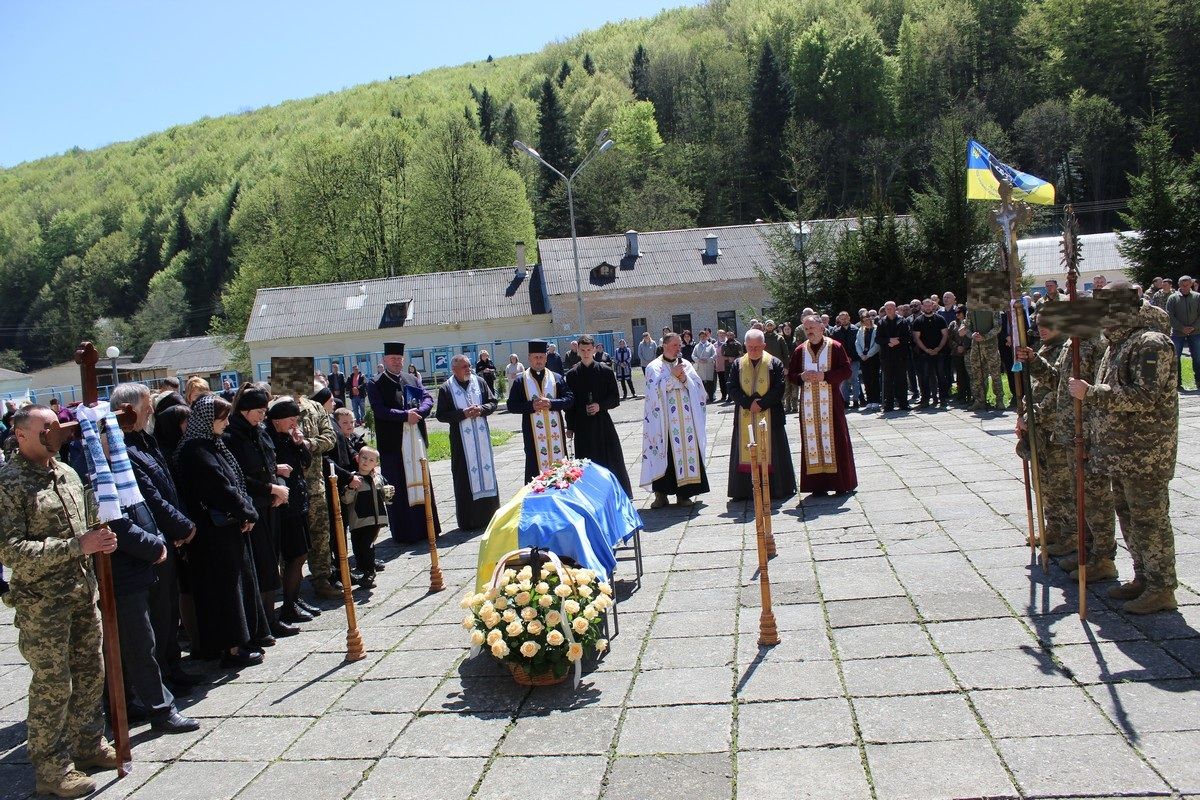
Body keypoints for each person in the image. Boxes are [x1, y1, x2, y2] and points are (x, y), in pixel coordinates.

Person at [0, 405, 122, 798]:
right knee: (54, 686)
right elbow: (11, 551)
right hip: (42, 604)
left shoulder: (65, 472)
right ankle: (52, 770)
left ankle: (87, 745)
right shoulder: (9, 482)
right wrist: (76, 546)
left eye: (55, 426)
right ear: (21, 435)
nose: (56, 432)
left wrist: (98, 539)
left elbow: (85, 525)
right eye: (46, 428)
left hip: (81, 594)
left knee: (90, 673)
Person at [1070, 298, 1179, 613]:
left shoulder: (1152, 343)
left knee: (1150, 521)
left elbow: (1146, 396)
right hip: (1121, 453)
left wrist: (1091, 392)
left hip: (1146, 454)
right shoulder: (1118, 345)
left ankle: (1162, 587)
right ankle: (1143, 577)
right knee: (1130, 518)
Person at [113, 383, 201, 697]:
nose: (151, 409)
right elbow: (149, 499)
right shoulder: (123, 449)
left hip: (165, 539)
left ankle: (172, 669)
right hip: (151, 544)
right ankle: (157, 681)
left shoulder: (144, 440)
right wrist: (182, 528)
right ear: (129, 410)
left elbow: (168, 487)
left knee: (167, 612)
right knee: (153, 619)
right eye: (146, 404)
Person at [173, 395, 269, 667]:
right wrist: (247, 511)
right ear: (207, 420)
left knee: (237, 586)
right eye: (222, 418)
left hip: (228, 528)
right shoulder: (195, 450)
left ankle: (243, 639)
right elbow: (219, 488)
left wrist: (245, 509)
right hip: (213, 534)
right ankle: (232, 648)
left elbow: (234, 482)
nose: (226, 423)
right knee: (224, 591)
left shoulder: (211, 444)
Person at [1017, 310, 1113, 577]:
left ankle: (1101, 557)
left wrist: (1036, 415)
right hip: (1068, 430)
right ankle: (1088, 551)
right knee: (1079, 494)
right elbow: (1058, 383)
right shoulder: (1073, 343)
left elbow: (1092, 387)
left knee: (1094, 497)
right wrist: (1034, 360)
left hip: (1089, 430)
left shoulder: (1092, 342)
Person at [223, 385, 295, 639]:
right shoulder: (232, 436)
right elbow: (240, 475)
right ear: (244, 411)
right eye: (258, 411)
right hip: (252, 508)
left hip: (270, 503)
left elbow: (268, 465)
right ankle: (261, 624)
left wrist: (277, 488)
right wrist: (270, 489)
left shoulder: (259, 431)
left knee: (271, 562)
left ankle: (271, 618)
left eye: (264, 411)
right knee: (261, 565)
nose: (262, 416)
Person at [368, 342, 440, 545]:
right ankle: (405, 533)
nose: (397, 362)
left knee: (422, 481)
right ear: (384, 360)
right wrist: (404, 416)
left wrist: (419, 412)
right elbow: (379, 410)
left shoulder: (411, 378)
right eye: (392, 359)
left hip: (415, 439)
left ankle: (427, 528)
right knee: (399, 487)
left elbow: (427, 397)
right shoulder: (376, 383)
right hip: (393, 444)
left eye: (399, 359)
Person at [789, 315, 858, 497]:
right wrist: (801, 377)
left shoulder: (835, 347)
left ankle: (841, 484)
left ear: (821, 327)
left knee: (835, 439)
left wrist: (825, 376)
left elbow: (846, 370)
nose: (809, 331)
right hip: (808, 405)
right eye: (806, 328)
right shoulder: (799, 350)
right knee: (812, 441)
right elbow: (791, 375)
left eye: (812, 327)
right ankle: (817, 485)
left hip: (831, 403)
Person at [641, 332, 709, 508]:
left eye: (679, 345)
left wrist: (684, 378)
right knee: (665, 454)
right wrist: (672, 377)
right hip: (664, 423)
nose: (678, 348)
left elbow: (699, 389)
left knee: (687, 453)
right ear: (665, 345)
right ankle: (661, 495)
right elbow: (652, 394)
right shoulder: (653, 367)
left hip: (686, 420)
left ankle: (684, 494)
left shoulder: (685, 364)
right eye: (675, 345)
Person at [727, 329, 796, 501]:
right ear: (745, 345)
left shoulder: (775, 363)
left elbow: (779, 388)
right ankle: (744, 490)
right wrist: (748, 403)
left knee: (773, 452)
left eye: (757, 347)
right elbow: (731, 387)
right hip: (745, 415)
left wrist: (762, 404)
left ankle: (776, 488)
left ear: (764, 345)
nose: (753, 350)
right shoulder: (738, 364)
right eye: (750, 347)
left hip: (771, 417)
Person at [434, 354, 501, 530]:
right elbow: (441, 415)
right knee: (464, 477)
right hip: (461, 442)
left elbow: (493, 402)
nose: (468, 369)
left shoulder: (479, 382)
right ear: (454, 369)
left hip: (482, 441)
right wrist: (462, 414)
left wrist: (481, 409)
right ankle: (469, 521)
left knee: (486, 474)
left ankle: (491, 516)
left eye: (469, 366)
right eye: (464, 367)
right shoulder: (446, 388)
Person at [266, 397, 317, 620]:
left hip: (299, 500)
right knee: (295, 555)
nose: (294, 424)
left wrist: (300, 444)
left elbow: (305, 463)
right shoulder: (268, 437)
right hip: (285, 506)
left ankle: (294, 599)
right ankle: (288, 604)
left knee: (302, 554)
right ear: (277, 420)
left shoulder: (289, 437)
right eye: (291, 419)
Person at [565, 335, 633, 497]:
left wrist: (600, 405)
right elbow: (570, 404)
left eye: (589, 350)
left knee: (612, 459)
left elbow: (615, 399)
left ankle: (619, 494)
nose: (586, 353)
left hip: (603, 423)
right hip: (582, 425)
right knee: (586, 462)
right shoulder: (572, 375)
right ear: (578, 351)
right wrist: (570, 426)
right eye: (583, 350)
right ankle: (590, 495)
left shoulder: (606, 371)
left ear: (594, 350)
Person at [507, 340, 574, 482]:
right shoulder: (521, 381)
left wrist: (552, 403)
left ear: (546, 357)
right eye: (535, 357)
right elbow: (511, 405)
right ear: (529, 358)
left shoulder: (556, 378)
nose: (539, 360)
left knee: (560, 469)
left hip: (556, 434)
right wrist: (531, 406)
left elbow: (570, 399)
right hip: (532, 435)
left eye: (541, 357)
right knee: (534, 466)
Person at [297, 387, 338, 598]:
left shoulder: (314, 408)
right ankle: (291, 590)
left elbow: (330, 437)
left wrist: (310, 443)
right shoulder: (273, 409)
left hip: (315, 483)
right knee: (293, 539)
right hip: (289, 486)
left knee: (320, 535)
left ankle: (322, 579)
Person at [341, 446, 394, 589]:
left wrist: (388, 495)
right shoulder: (352, 478)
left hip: (374, 520)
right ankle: (363, 568)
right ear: (357, 459)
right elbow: (346, 500)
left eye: (371, 460)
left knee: (367, 544)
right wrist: (351, 488)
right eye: (364, 458)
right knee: (358, 547)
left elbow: (387, 497)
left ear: (375, 464)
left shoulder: (378, 478)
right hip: (357, 521)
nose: (366, 462)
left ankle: (370, 573)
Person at [911, 298, 951, 408]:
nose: (928, 307)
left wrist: (938, 348)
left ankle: (943, 399)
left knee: (941, 376)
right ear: (922, 307)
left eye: (930, 305)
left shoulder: (940, 319)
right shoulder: (918, 321)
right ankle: (925, 400)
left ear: (932, 306)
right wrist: (925, 349)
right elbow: (916, 338)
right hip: (924, 354)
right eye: (926, 306)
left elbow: (945, 335)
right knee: (925, 377)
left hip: (940, 353)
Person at [967, 304, 1005, 411]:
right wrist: (972, 335)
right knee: (977, 374)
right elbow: (967, 326)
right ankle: (979, 400)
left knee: (995, 374)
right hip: (976, 346)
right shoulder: (971, 310)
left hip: (991, 346)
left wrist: (985, 336)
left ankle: (999, 400)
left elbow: (997, 327)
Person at [875, 302, 911, 412]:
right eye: (887, 309)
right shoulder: (881, 322)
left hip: (901, 355)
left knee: (902, 380)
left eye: (891, 308)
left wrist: (897, 341)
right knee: (888, 381)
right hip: (887, 356)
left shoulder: (903, 321)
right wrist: (889, 341)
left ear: (895, 308)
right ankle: (888, 404)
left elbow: (908, 336)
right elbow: (878, 339)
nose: (889, 310)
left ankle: (903, 403)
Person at [1166, 275, 1199, 390]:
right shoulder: (1172, 298)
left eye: (1187, 285)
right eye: (1182, 285)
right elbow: (1170, 316)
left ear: (1191, 284)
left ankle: (1198, 382)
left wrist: (1193, 327)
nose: (1185, 287)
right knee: (1176, 358)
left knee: (1198, 357)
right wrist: (1181, 328)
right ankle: (1177, 383)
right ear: (1179, 285)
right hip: (1178, 333)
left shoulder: (1197, 297)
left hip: (1196, 332)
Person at [829, 312, 861, 409]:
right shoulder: (836, 332)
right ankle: (845, 401)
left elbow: (858, 345)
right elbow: (835, 347)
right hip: (842, 360)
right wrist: (844, 357)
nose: (844, 320)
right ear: (839, 320)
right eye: (842, 319)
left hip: (854, 359)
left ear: (849, 318)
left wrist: (851, 356)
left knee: (855, 380)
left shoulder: (856, 330)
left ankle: (856, 400)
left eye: (845, 318)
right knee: (844, 381)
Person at [856, 313, 881, 411]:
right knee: (866, 379)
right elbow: (857, 343)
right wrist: (861, 354)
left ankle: (876, 400)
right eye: (864, 319)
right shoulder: (860, 330)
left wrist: (868, 354)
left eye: (868, 318)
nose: (866, 320)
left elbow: (877, 344)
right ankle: (869, 400)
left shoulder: (876, 329)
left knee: (874, 378)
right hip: (863, 358)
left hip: (873, 357)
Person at [950, 306, 973, 405]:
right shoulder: (953, 324)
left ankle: (971, 395)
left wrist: (964, 347)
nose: (957, 314)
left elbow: (971, 337)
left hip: (968, 352)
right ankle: (961, 395)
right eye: (956, 312)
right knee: (960, 375)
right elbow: (949, 338)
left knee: (969, 374)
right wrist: (957, 347)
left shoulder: (970, 323)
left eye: (960, 312)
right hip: (957, 353)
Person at [691, 329, 718, 403]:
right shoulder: (696, 346)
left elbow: (715, 355)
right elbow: (693, 355)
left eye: (704, 336)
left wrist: (708, 360)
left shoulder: (711, 345)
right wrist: (698, 360)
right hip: (700, 367)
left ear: (706, 337)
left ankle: (711, 397)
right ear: (699, 337)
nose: (702, 337)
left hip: (709, 366)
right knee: (701, 383)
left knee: (710, 383)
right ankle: (703, 398)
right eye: (701, 336)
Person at [721, 329, 745, 405]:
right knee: (728, 381)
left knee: (738, 381)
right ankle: (729, 397)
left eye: (731, 335)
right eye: (728, 335)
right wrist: (728, 358)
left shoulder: (738, 344)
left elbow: (741, 355)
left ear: (734, 336)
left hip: (737, 366)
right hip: (727, 366)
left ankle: (738, 397)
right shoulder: (724, 345)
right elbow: (722, 355)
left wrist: (734, 359)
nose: (729, 337)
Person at [714, 330, 732, 404]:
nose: (721, 335)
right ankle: (723, 395)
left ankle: (730, 396)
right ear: (717, 335)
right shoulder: (715, 344)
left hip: (727, 365)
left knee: (728, 381)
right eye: (719, 333)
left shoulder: (729, 343)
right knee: (721, 381)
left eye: (723, 333)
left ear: (725, 335)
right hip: (719, 366)